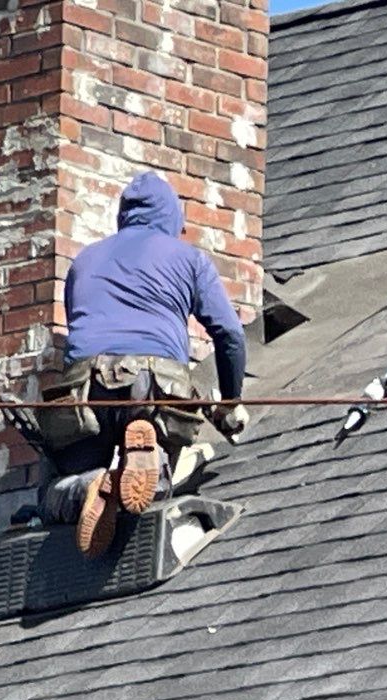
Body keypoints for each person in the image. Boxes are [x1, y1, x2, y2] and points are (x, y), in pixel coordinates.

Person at [38, 172, 250, 558]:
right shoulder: (187, 258)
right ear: (171, 219)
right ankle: (149, 471)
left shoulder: (84, 261)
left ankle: (90, 485)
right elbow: (231, 336)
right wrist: (231, 402)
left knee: (51, 489)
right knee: (162, 480)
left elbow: (83, 338)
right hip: (156, 386)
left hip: (87, 391)